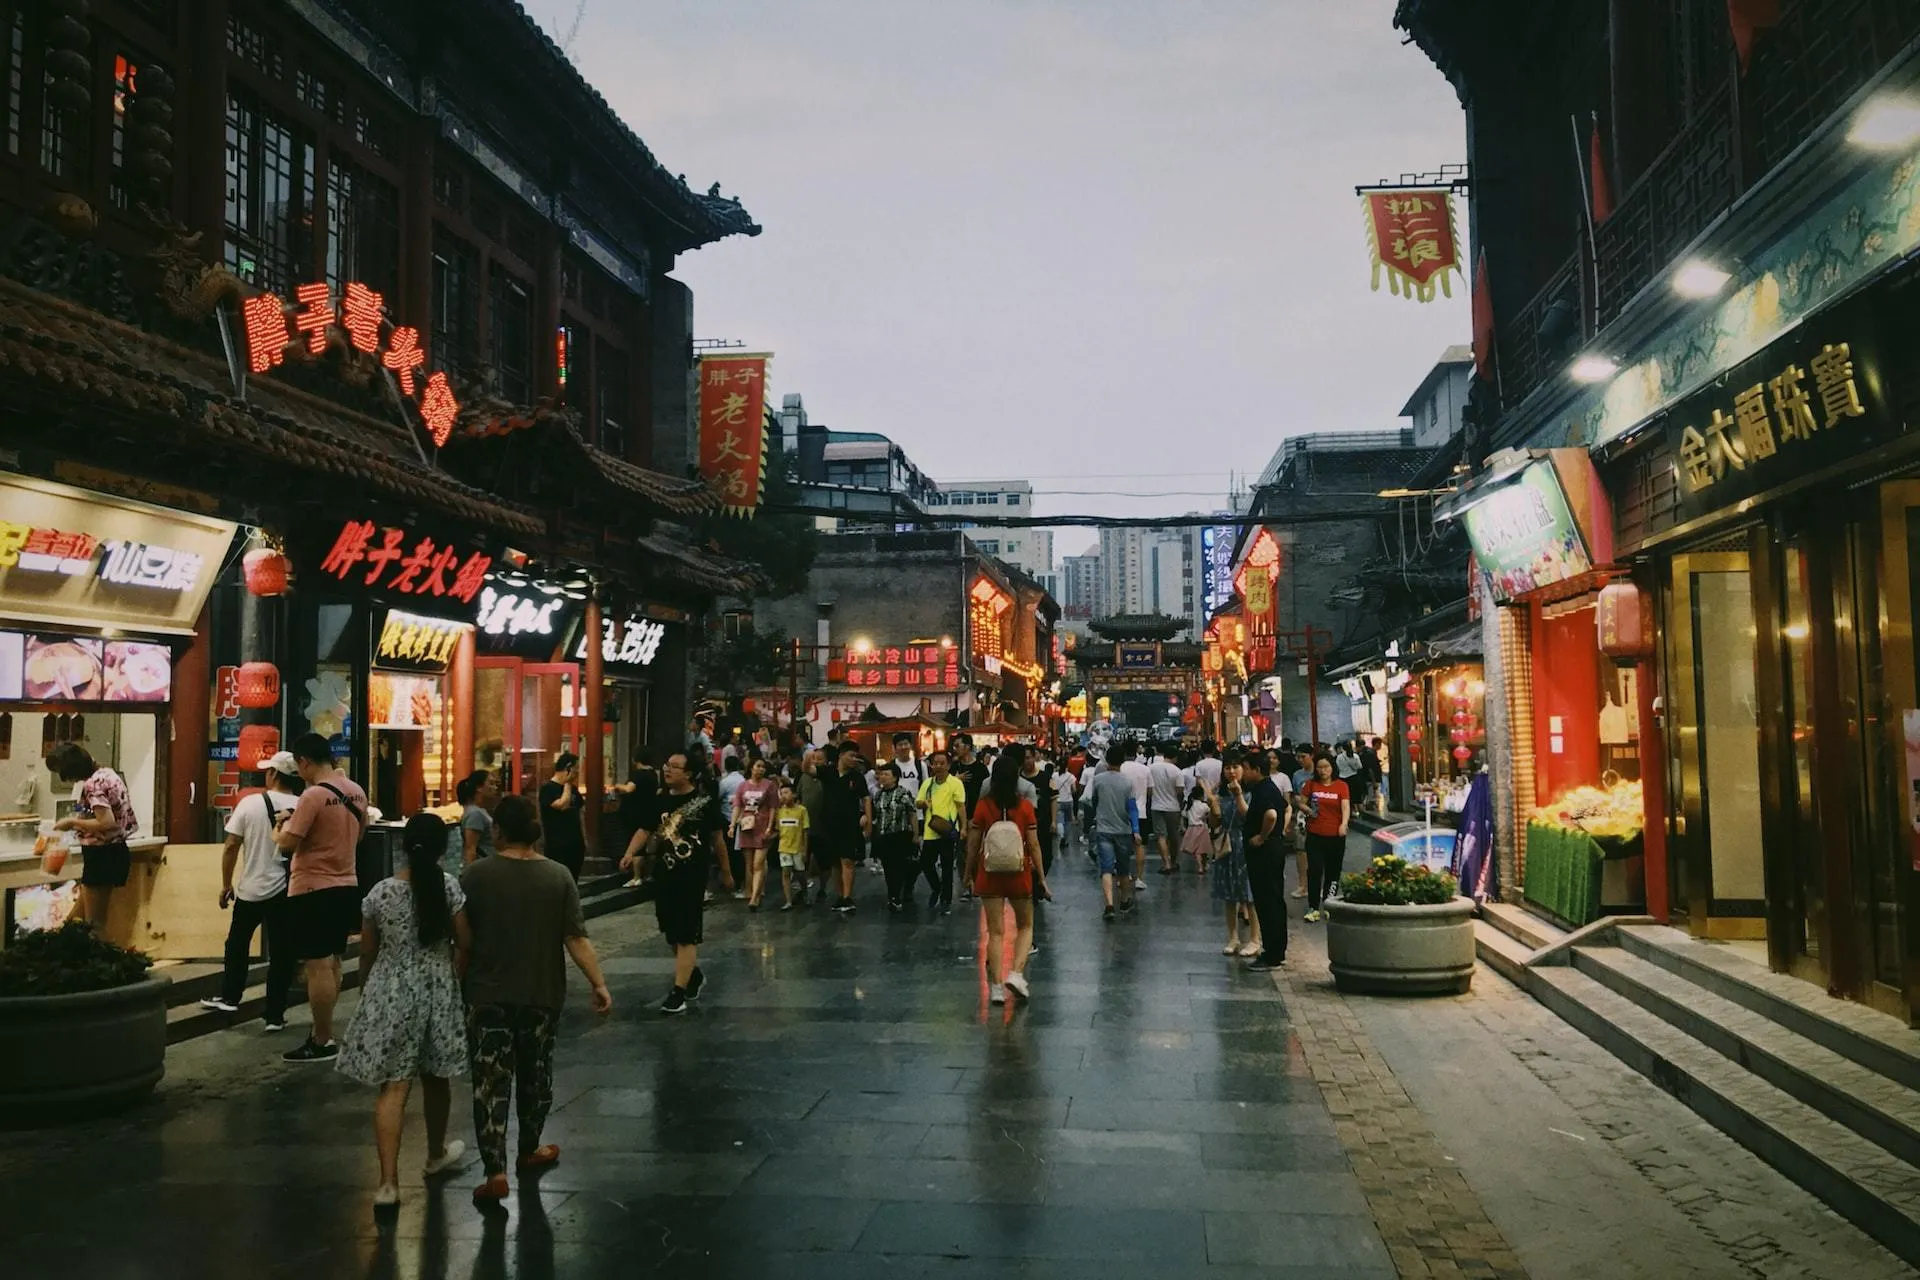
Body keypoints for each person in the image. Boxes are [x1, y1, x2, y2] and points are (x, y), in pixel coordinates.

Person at [462, 794, 611, 1207]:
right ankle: (529, 1148)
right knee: (535, 1072)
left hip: (486, 993)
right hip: (541, 992)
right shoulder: (558, 876)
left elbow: (461, 938)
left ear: (497, 831)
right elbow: (575, 938)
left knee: (490, 1081)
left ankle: (494, 1171)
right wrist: (598, 983)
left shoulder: (475, 877)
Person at [335, 813, 471, 1208]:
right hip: (436, 987)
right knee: (436, 1077)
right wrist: (453, 974)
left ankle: (388, 1184)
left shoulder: (380, 892)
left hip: (390, 988)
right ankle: (434, 1154)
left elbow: (366, 950)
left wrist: (367, 990)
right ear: (442, 848)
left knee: (393, 1087)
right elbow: (466, 941)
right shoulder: (448, 887)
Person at [275, 733, 369, 1063]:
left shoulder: (313, 795)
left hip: (313, 887)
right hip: (346, 883)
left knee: (317, 965)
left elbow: (287, 843)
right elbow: (362, 833)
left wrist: (280, 828)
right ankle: (325, 1032)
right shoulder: (356, 791)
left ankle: (322, 1038)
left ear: (304, 762)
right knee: (333, 961)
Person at [201, 751, 304, 1026]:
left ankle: (231, 997)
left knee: (237, 944)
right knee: (282, 952)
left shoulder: (250, 804)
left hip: (251, 888)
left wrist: (226, 884)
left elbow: (232, 845)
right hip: (288, 888)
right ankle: (274, 1015)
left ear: (273, 775)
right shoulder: (305, 806)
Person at [966, 749, 1050, 1006]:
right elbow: (1034, 845)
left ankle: (996, 988)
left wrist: (968, 872)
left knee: (996, 932)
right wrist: (1042, 877)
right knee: (1025, 925)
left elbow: (973, 844)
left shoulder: (983, 806)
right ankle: (1016, 972)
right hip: (1019, 873)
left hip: (989, 874)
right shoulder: (1025, 807)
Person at [48, 743, 138, 930]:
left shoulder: (93, 785)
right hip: (116, 852)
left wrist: (71, 822)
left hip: (101, 855)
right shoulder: (109, 774)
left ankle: (92, 958)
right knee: (76, 918)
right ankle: (61, 946)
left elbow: (106, 822)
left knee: (93, 924)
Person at [1238, 750, 1289, 972]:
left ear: (1257, 770)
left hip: (1266, 851)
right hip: (1272, 848)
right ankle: (1277, 950)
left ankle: (1272, 955)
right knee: (1273, 900)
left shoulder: (1264, 790)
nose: (1243, 773)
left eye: (1246, 768)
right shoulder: (1267, 788)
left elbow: (1272, 815)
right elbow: (1285, 808)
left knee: (1268, 901)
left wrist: (1262, 836)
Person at [1213, 751, 1262, 957]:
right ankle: (1233, 938)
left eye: (1235, 767)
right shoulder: (1221, 794)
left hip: (1246, 845)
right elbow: (1216, 823)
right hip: (1227, 846)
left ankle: (1255, 939)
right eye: (1227, 768)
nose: (1231, 772)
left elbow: (1249, 817)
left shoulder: (1252, 792)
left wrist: (1238, 794)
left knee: (1249, 894)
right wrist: (1213, 807)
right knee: (1229, 894)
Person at [1085, 742, 1138, 921]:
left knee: (1106, 868)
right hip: (1123, 829)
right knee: (1123, 869)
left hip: (1103, 829)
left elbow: (1094, 801)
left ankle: (1109, 904)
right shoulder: (1128, 782)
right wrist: (1136, 830)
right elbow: (1132, 808)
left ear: (1107, 759)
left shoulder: (1098, 780)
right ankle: (1123, 900)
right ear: (1122, 761)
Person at [1302, 754, 1353, 922]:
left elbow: (1345, 806)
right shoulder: (1311, 785)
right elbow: (1301, 802)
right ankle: (1313, 906)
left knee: (1333, 871)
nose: (1323, 770)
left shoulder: (1342, 786)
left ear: (1332, 768)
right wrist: (1308, 810)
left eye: (1326, 767)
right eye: (1320, 767)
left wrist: (1343, 824)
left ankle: (1329, 903)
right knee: (1315, 870)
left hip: (1335, 835)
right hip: (1315, 834)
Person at [822, 743, 872, 914]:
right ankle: (839, 895)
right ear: (841, 755)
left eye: (856, 756)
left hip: (849, 824)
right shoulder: (828, 772)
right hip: (830, 824)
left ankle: (847, 897)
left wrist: (869, 819)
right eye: (851, 755)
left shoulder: (857, 777)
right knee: (835, 863)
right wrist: (810, 756)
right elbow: (808, 769)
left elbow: (866, 798)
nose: (854, 759)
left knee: (848, 860)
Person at [915, 749, 967, 913]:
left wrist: (964, 827)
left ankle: (946, 900)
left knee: (946, 866)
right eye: (935, 763)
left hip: (948, 830)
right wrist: (924, 804)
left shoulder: (955, 783)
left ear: (948, 765)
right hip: (931, 831)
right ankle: (936, 888)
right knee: (926, 863)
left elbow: (961, 807)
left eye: (942, 763)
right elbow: (918, 802)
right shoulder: (927, 783)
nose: (938, 766)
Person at [730, 756, 781, 910]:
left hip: (763, 826)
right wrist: (732, 825)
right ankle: (753, 890)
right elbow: (738, 806)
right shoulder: (742, 786)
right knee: (749, 864)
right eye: (758, 766)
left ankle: (755, 898)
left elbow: (773, 807)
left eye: (763, 767)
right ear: (751, 768)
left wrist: (770, 826)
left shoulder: (769, 785)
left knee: (758, 863)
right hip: (747, 826)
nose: (761, 769)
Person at [871, 761, 919, 911]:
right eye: (881, 774)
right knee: (888, 867)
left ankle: (897, 895)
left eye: (886, 774)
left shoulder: (903, 793)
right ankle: (892, 895)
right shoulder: (878, 795)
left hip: (900, 835)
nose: (882, 778)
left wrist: (916, 834)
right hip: (884, 836)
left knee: (899, 867)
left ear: (895, 777)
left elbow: (912, 814)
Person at [950, 736, 990, 903]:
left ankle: (977, 883)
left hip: (976, 816)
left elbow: (987, 794)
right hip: (956, 817)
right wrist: (955, 780)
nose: (955, 748)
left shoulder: (981, 769)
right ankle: (966, 884)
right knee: (961, 851)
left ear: (968, 747)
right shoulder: (953, 768)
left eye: (958, 745)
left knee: (975, 850)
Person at [538, 754, 585, 881]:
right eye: (576, 768)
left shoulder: (574, 790)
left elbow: (580, 813)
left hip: (575, 843)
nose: (578, 772)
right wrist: (568, 783)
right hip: (557, 844)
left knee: (573, 880)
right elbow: (562, 805)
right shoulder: (547, 789)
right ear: (568, 768)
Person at [616, 751, 659, 885]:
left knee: (636, 844)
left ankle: (636, 876)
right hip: (651, 811)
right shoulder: (654, 774)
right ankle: (649, 874)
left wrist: (617, 786)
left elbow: (629, 789)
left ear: (636, 760)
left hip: (637, 813)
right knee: (650, 846)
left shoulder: (638, 775)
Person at [797, 748, 831, 905]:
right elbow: (797, 797)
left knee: (824, 861)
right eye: (813, 759)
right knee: (800, 862)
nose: (816, 761)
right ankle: (803, 890)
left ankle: (822, 889)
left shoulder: (829, 776)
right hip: (804, 827)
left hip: (823, 827)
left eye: (819, 759)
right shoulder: (803, 777)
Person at [1118, 740, 1153, 891]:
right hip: (1141, 811)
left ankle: (1122, 877)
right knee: (1140, 845)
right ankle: (1139, 878)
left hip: (1121, 812)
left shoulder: (1119, 768)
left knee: (1121, 847)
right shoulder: (1145, 769)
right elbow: (1150, 791)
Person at [1147, 743, 1185, 876]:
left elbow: (1149, 787)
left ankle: (1166, 863)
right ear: (1175, 757)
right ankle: (1174, 862)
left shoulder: (1152, 768)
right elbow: (1180, 791)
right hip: (1173, 807)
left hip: (1156, 806)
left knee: (1160, 836)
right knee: (1174, 836)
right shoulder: (1177, 771)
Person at [714, 753, 748, 900]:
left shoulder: (725, 782)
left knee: (729, 852)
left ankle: (732, 879)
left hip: (728, 821)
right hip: (743, 820)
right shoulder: (744, 780)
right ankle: (741, 882)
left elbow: (717, 797)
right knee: (740, 853)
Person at [773, 780, 809, 910]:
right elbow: (777, 830)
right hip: (784, 847)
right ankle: (788, 901)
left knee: (800, 873)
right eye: (781, 793)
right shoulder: (779, 812)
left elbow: (805, 831)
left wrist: (805, 849)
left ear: (794, 795)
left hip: (798, 847)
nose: (784, 795)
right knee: (786, 872)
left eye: (786, 792)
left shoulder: (802, 811)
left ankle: (804, 891)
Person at [455, 770, 499, 871]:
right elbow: (471, 848)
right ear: (479, 787)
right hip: (483, 868)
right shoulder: (475, 814)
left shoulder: (480, 811)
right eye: (491, 783)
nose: (495, 788)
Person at [1289, 745, 1315, 899]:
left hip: (1318, 814)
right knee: (1301, 851)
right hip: (1302, 816)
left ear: (1311, 755)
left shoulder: (1318, 773)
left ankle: (1316, 884)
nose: (1300, 760)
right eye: (1297, 757)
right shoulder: (1297, 775)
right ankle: (1302, 884)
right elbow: (1294, 795)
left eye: (1303, 756)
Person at [1180, 780, 1217, 876]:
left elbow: (1184, 815)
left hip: (1191, 828)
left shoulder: (1189, 806)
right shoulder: (1204, 806)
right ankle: (1203, 865)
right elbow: (1211, 813)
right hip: (1202, 828)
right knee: (1203, 849)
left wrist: (1183, 826)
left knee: (1195, 850)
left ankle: (1200, 866)